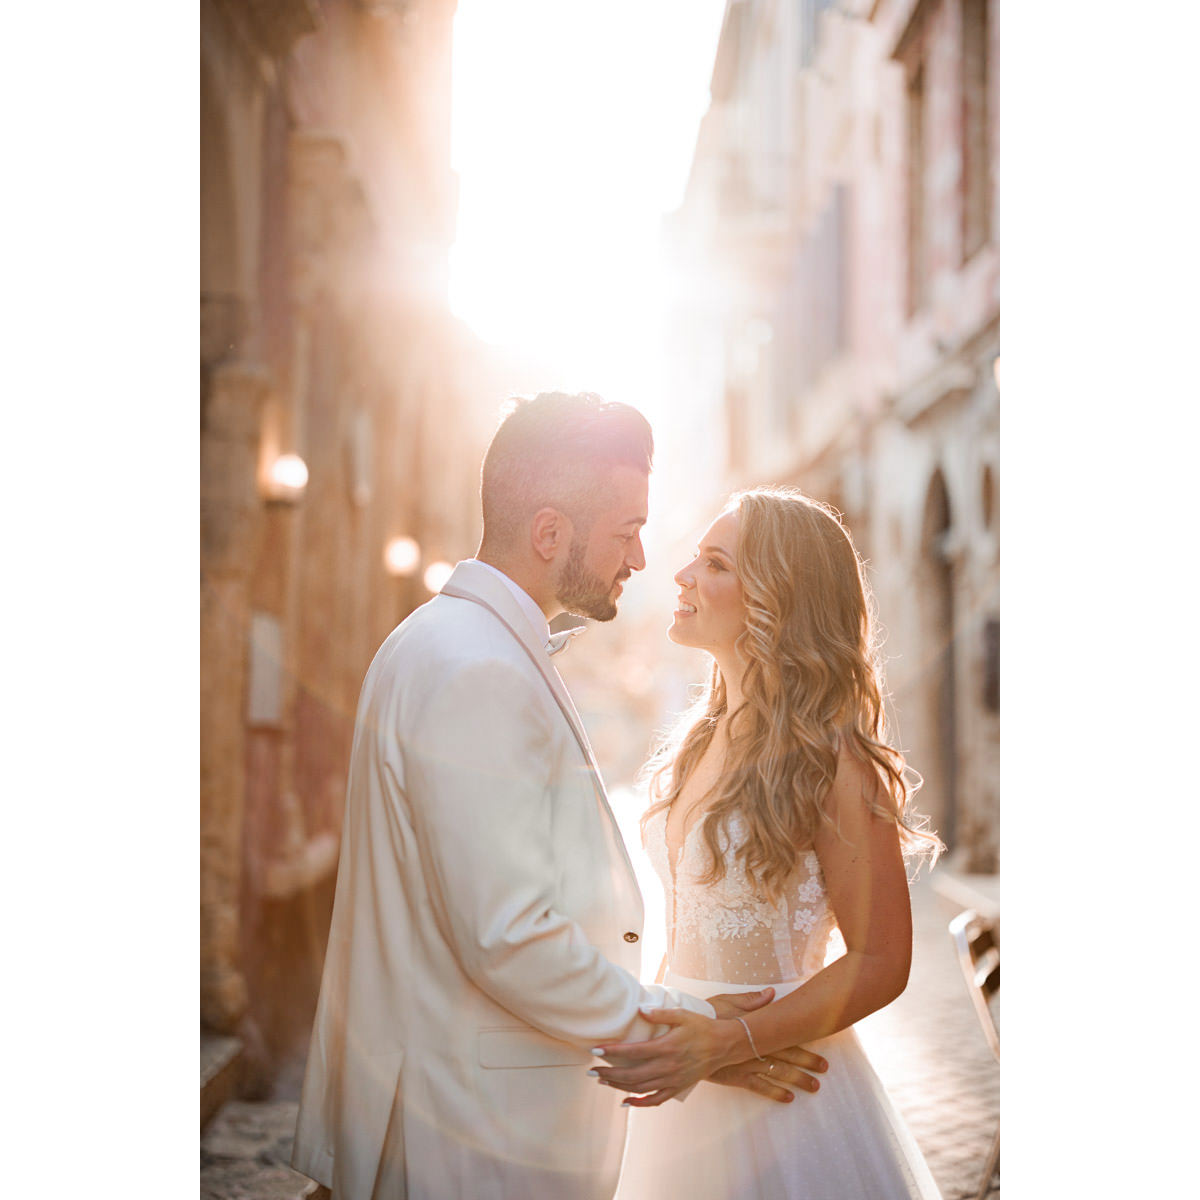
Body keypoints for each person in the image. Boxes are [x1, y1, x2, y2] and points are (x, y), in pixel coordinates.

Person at [290, 396, 828, 1200]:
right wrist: (694, 1032)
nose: (644, 558)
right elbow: (508, 936)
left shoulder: (449, 642)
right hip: (474, 1142)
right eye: (625, 530)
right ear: (550, 533)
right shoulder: (478, 669)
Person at [592, 486, 945, 1200]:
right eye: (696, 557)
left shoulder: (833, 757)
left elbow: (882, 959)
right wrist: (682, 1037)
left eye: (715, 563)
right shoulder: (694, 743)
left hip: (788, 1096)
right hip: (691, 1087)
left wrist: (732, 1043)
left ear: (776, 600)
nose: (683, 575)